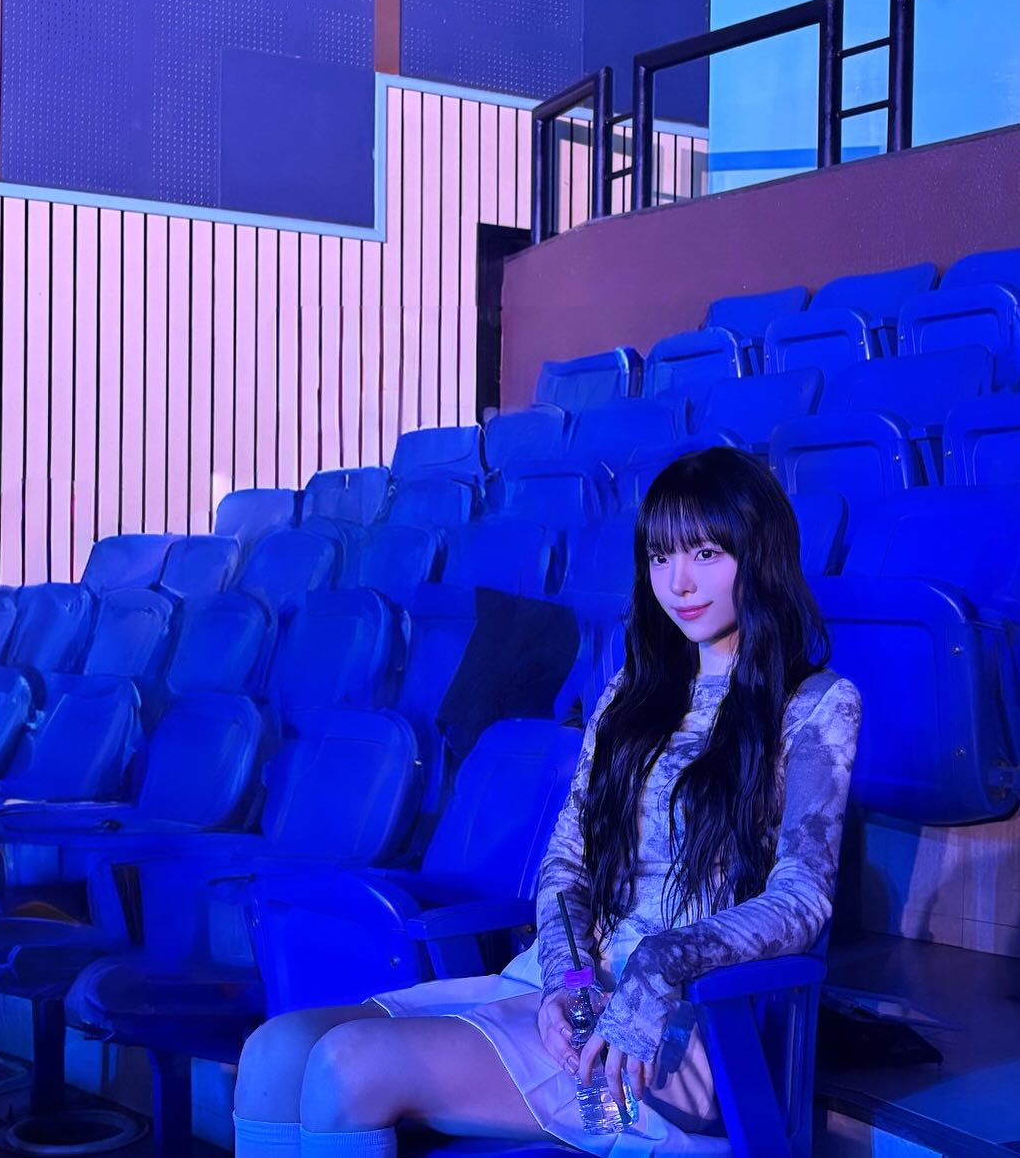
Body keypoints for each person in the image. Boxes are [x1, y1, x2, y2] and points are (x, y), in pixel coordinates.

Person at [233, 447, 862, 1157]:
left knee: (349, 1067)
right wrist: (569, 978)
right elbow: (567, 861)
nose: (678, 582)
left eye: (706, 554)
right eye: (660, 558)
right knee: (275, 1050)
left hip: (684, 1029)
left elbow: (803, 897)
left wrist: (660, 965)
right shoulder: (631, 694)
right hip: (571, 992)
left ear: (760, 555)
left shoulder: (817, 704)